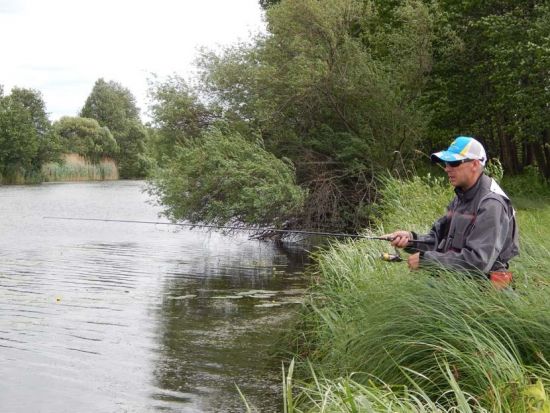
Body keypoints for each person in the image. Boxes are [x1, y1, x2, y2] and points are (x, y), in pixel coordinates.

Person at [386, 136, 519, 279]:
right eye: (446, 163)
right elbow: (438, 240)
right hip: (457, 288)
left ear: (474, 164)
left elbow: (478, 262)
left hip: (484, 294)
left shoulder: (492, 204)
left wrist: (427, 260)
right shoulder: (461, 197)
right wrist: (411, 240)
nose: (447, 168)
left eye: (454, 163)